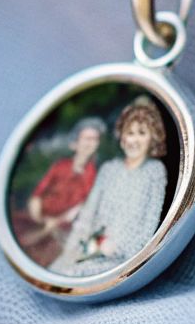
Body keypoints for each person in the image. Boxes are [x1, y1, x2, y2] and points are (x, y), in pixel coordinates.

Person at [51, 96, 168, 277]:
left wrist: (120, 249)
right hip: (88, 248)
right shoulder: (108, 169)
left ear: (152, 138)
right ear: (121, 137)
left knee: (76, 273)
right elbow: (88, 214)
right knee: (59, 269)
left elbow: (151, 223)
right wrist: (72, 248)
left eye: (142, 133)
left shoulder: (155, 171)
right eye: (129, 132)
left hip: (126, 259)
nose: (134, 140)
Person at [16, 117, 104, 265]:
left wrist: (56, 223)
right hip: (35, 220)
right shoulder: (60, 166)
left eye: (94, 139)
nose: (90, 143)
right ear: (75, 143)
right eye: (86, 138)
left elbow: (81, 209)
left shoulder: (95, 175)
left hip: (64, 229)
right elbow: (37, 196)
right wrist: (41, 219)